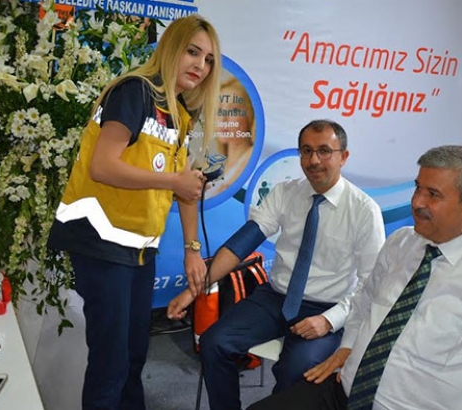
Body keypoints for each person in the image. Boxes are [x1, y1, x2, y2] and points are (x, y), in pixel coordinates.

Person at [247, 145, 462, 410]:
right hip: (345, 392)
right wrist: (348, 346)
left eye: (433, 194)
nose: (417, 202)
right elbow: (365, 300)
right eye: (418, 188)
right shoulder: (401, 243)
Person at [46, 15, 222, 410]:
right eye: (193, 52)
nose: (200, 65)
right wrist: (173, 181)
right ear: (171, 49)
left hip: (139, 251)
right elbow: (102, 166)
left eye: (209, 59)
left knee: (133, 357)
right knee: (110, 364)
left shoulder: (178, 112)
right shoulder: (134, 91)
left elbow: (186, 188)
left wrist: (193, 249)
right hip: (100, 242)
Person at [168, 119, 387, 410]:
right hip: (276, 298)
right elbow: (240, 245)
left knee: (297, 371)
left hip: (327, 307)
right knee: (214, 342)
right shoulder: (285, 193)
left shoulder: (364, 211)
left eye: (324, 151)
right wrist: (193, 291)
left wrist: (329, 320)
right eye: (306, 151)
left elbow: (371, 284)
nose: (314, 160)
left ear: (343, 157)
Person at [207, 75, 256, 197]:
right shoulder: (220, 166)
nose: (223, 119)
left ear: (249, 115)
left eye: (233, 111)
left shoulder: (250, 156)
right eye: (219, 110)